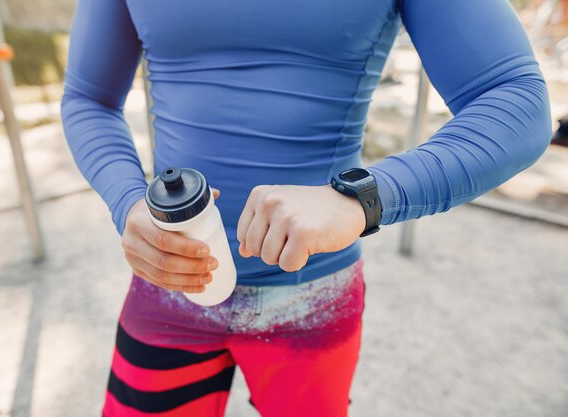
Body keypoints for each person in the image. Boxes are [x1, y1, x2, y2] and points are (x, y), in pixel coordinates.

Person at [60, 0, 552, 416]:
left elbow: (518, 100)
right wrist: (128, 201)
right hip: (168, 287)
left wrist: (359, 197)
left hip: (311, 299)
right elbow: (88, 98)